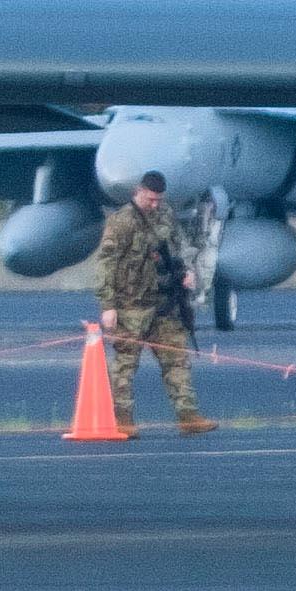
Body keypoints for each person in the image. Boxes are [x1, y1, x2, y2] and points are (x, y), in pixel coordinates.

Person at [95, 169, 218, 434]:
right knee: (125, 366)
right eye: (149, 199)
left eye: (158, 200)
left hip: (164, 303)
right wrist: (108, 306)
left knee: (176, 360)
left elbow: (179, 247)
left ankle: (188, 416)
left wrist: (187, 272)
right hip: (131, 305)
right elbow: (106, 265)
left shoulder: (165, 214)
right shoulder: (121, 222)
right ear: (137, 193)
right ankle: (123, 421)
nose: (154, 204)